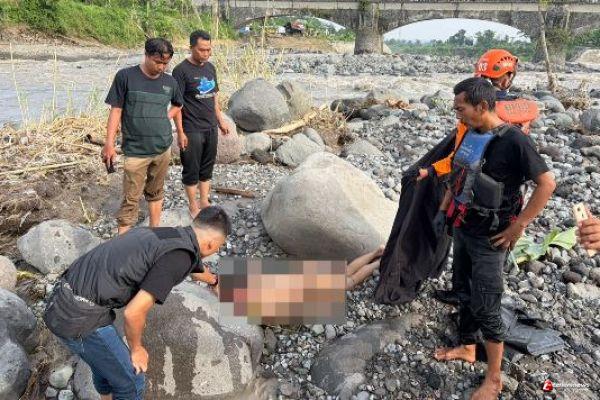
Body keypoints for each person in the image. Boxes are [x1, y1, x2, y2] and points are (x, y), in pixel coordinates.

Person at [432, 78, 555, 400]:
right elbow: (459, 176)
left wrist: (519, 226)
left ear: (482, 106)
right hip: (464, 228)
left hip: (492, 238)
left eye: (461, 108)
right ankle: (468, 346)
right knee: (462, 289)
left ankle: (494, 379)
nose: (457, 114)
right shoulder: (471, 133)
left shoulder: (515, 141)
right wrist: (444, 211)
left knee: (487, 305)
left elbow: (547, 184)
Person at [43, 206, 231, 400]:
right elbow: (133, 313)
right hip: (78, 317)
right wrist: (136, 349)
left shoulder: (165, 235)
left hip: (62, 300)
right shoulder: (179, 257)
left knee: (106, 368)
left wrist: (214, 281)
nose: (217, 249)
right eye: (219, 246)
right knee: (132, 382)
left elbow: (189, 264)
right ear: (211, 245)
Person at [102, 38, 184, 235]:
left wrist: (166, 118)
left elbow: (178, 104)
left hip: (162, 148)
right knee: (130, 198)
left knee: (156, 192)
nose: (161, 67)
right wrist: (109, 144)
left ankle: (154, 233)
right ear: (146, 55)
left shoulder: (170, 82)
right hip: (135, 151)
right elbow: (116, 110)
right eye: (158, 62)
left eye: (166, 63)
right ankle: (123, 241)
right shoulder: (125, 77)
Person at [417, 49, 538, 182]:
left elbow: (458, 158)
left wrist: (430, 170)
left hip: (478, 183)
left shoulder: (474, 113)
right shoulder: (523, 110)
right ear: (507, 79)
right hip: (512, 183)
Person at [172, 30, 230, 218]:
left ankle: (204, 201)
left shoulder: (210, 68)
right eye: (202, 50)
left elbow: (214, 96)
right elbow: (177, 104)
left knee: (207, 167)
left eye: (209, 49)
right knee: (191, 168)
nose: (206, 53)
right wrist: (180, 132)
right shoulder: (180, 71)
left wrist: (220, 120)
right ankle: (192, 205)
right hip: (191, 128)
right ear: (191, 48)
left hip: (210, 126)